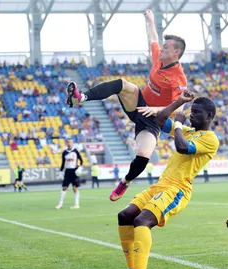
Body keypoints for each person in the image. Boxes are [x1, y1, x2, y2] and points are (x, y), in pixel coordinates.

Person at [66, 9, 188, 202]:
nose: (162, 49)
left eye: (166, 47)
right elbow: (153, 38)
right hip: (139, 104)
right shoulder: (158, 57)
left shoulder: (178, 78)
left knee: (144, 154)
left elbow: (180, 107)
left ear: (176, 52)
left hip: (153, 120)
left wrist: (156, 110)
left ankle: (125, 181)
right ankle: (80, 98)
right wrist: (150, 20)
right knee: (122, 84)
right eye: (163, 46)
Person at [115, 90, 219, 269]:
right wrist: (179, 101)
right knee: (125, 216)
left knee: (142, 221)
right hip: (161, 185)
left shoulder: (210, 139)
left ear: (209, 116)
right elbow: (161, 119)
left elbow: (182, 147)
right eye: (191, 111)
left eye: (196, 112)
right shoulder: (189, 131)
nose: (191, 115)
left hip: (177, 189)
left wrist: (178, 123)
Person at [56, 139, 83, 209]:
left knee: (75, 188)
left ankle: (77, 204)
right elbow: (63, 162)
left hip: (74, 171)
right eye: (68, 142)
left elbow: (81, 160)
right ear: (66, 143)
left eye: (70, 142)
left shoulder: (76, 151)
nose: (69, 143)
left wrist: (79, 167)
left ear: (72, 143)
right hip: (67, 171)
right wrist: (61, 170)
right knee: (64, 187)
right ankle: (60, 204)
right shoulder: (64, 152)